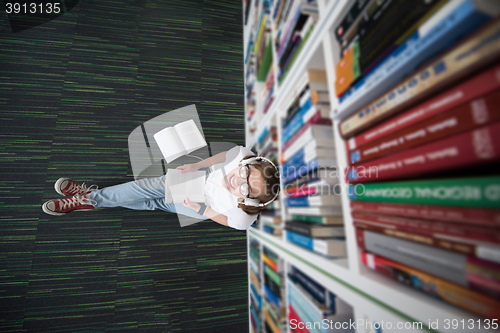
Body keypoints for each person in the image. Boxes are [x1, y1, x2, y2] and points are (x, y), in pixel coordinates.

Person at [41, 146, 280, 230]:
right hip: (200, 179)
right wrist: (196, 165)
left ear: (249, 201)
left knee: (155, 202)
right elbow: (222, 157)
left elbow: (226, 220)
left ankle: (89, 196)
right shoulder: (242, 154)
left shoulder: (244, 218)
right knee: (145, 187)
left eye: (246, 190)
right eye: (244, 173)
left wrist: (201, 211)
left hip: (203, 204)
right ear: (247, 164)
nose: (236, 182)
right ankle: (91, 199)